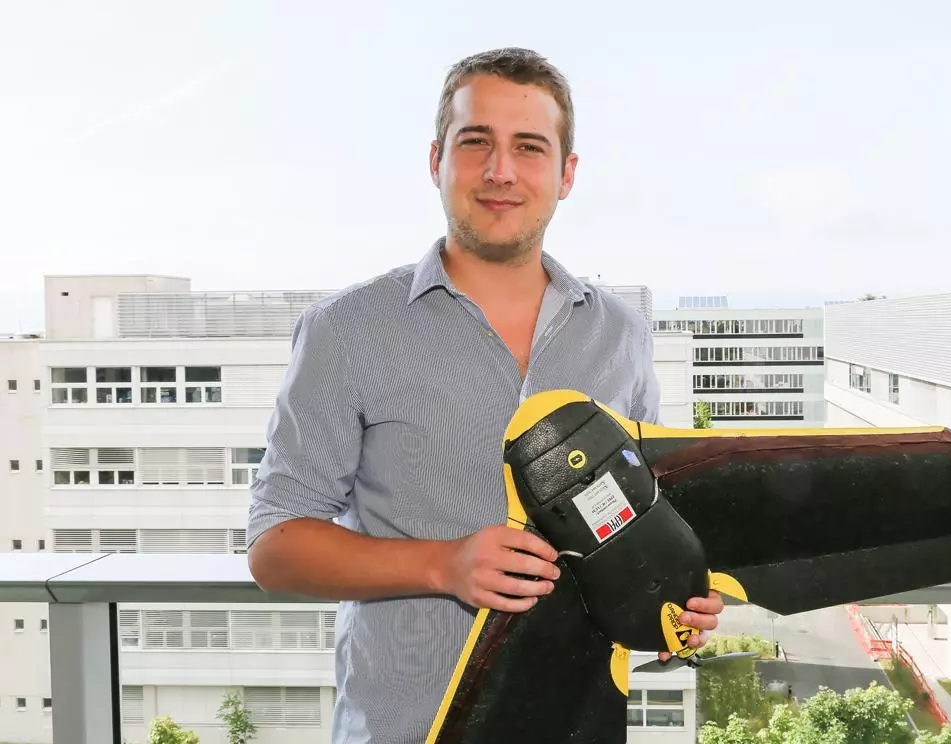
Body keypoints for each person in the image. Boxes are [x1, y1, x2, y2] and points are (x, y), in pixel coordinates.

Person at [245, 47, 724, 743]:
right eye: (477, 143)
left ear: (566, 175)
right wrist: (443, 565)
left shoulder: (620, 333)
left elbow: (637, 518)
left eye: (529, 147)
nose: (501, 171)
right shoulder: (344, 332)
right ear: (437, 160)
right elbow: (273, 547)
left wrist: (676, 603)